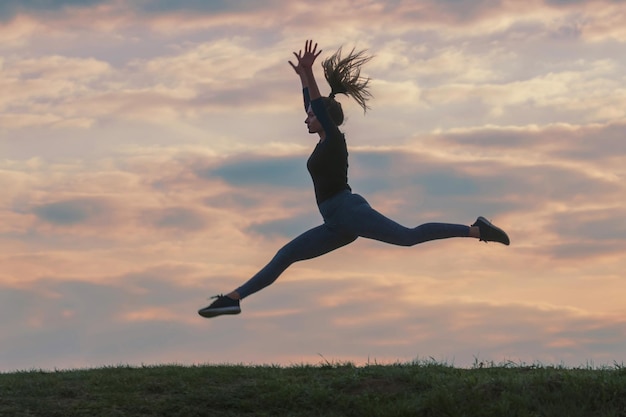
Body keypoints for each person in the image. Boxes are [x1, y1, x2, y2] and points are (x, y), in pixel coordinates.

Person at [198, 40, 509, 319]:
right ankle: (233, 299)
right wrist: (303, 79)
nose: (305, 117)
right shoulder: (323, 140)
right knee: (287, 254)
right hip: (336, 222)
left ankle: (478, 229)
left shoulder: (334, 139)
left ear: (324, 119)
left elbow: (318, 104)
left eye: (310, 115)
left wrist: (309, 72)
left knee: (408, 237)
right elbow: (313, 102)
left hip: (348, 210)